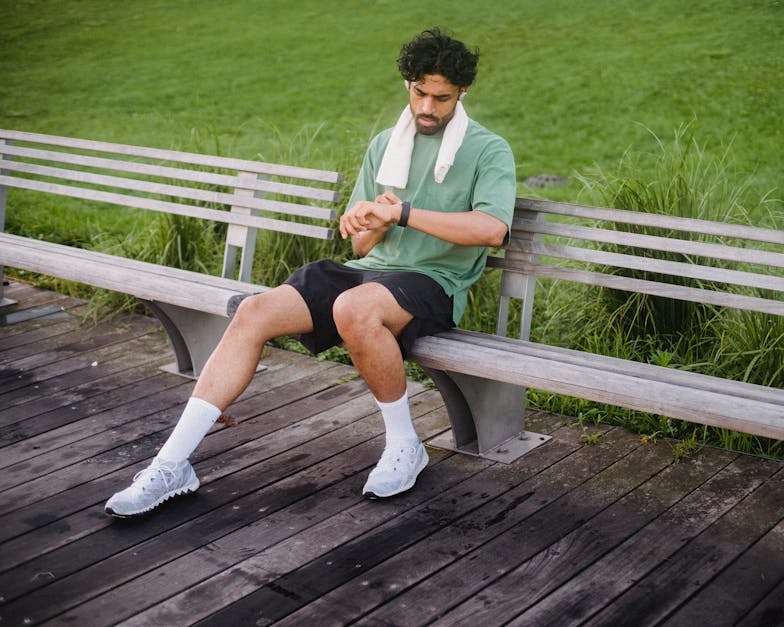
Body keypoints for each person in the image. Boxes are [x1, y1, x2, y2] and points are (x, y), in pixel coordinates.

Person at [104, 28, 516, 517]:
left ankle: (405, 444)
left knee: (353, 308)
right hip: (369, 270)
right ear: (407, 83)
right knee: (254, 311)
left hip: (433, 281)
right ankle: (171, 465)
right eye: (419, 92)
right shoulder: (387, 143)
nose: (426, 108)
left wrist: (402, 213)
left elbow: (492, 230)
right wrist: (371, 221)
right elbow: (361, 246)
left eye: (441, 98)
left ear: (462, 92)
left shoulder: (488, 149)